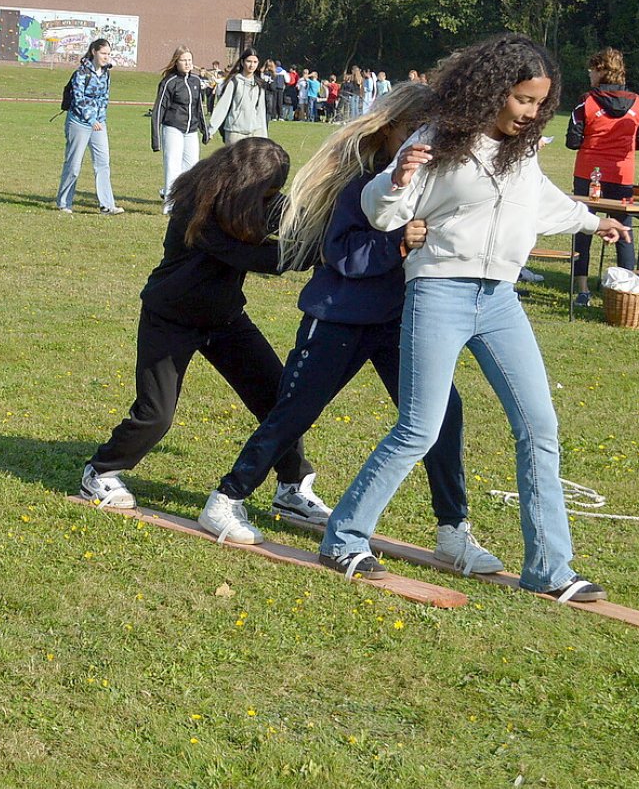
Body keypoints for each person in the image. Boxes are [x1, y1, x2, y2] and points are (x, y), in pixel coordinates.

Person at [317, 34, 627, 601]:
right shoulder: (437, 139)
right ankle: (344, 537)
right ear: (493, 89)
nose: (531, 113)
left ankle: (550, 569)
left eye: (540, 103)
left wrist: (589, 221)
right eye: (523, 100)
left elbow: (538, 198)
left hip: (501, 299)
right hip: (439, 291)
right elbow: (384, 215)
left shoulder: (522, 149)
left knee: (539, 426)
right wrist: (397, 179)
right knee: (420, 427)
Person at [212, 84, 501, 571]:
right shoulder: (360, 185)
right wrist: (397, 245)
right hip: (338, 318)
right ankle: (226, 500)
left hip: (400, 323)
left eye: (435, 133)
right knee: (294, 412)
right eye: (415, 131)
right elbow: (343, 255)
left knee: (443, 416)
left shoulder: (431, 184)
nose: (425, 142)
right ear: (388, 131)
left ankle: (453, 532)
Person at [79, 137, 316, 533]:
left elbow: (291, 215)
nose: (272, 199)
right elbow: (256, 258)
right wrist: (315, 252)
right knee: (156, 415)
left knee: (280, 400)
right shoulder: (198, 206)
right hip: (169, 319)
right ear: (248, 182)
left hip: (225, 320)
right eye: (268, 190)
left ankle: (292, 486)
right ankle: (100, 471)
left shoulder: (249, 200)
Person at [566, 48, 639, 306]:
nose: (590, 74)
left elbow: (572, 140)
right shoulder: (638, 103)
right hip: (621, 173)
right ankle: (627, 286)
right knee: (623, 227)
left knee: (583, 224)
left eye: (592, 70)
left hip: (587, 171)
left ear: (602, 71)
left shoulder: (586, 101)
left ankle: (581, 287)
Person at [55, 38, 123, 215]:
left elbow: (104, 98)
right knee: (74, 165)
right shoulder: (81, 73)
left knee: (103, 164)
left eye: (108, 54)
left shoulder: (106, 74)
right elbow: (78, 99)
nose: (106, 57)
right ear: (94, 51)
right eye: (103, 53)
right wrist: (91, 119)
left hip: (99, 124)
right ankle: (64, 203)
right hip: (78, 122)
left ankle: (107, 205)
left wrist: (100, 119)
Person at [152, 47, 208, 214]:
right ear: (176, 62)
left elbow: (200, 108)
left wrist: (205, 130)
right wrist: (156, 139)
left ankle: (183, 200)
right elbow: (158, 110)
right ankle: (169, 205)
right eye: (184, 60)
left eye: (190, 60)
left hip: (191, 131)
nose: (187, 63)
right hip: (173, 128)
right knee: (172, 165)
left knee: (192, 167)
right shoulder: (169, 82)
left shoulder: (196, 81)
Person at [208, 49, 269, 146]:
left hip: (254, 133)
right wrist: (211, 130)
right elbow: (223, 107)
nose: (251, 65)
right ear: (242, 62)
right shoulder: (234, 82)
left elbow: (261, 112)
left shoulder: (259, 85)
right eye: (249, 61)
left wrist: (264, 136)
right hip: (235, 132)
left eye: (255, 62)